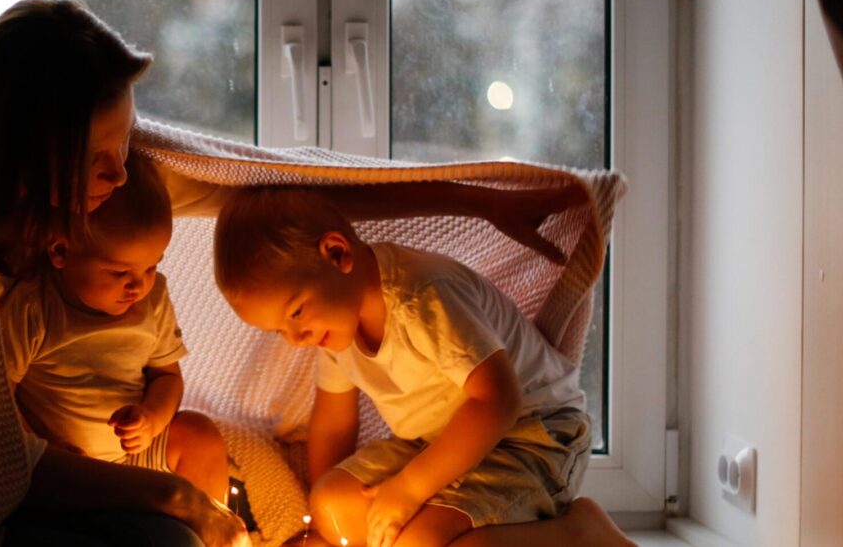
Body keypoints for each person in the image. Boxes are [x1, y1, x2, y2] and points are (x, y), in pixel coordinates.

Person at [0, 0, 590, 547]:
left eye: (126, 148)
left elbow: (305, 194)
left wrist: (480, 203)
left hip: (82, 459)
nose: (123, 174)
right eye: (104, 157)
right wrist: (177, 497)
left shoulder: (99, 188)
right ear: (39, 155)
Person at [212, 187, 635, 547]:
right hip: (437, 441)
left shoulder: (421, 296)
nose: (295, 338)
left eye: (296, 312)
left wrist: (410, 489)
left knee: (420, 541)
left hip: (532, 434)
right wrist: (321, 523)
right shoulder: (334, 324)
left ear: (337, 253)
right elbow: (333, 426)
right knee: (332, 503)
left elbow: (499, 399)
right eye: (279, 330)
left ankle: (579, 534)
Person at [0, 155, 229, 504]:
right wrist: (39, 449)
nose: (138, 286)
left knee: (200, 435)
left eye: (151, 267)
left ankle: (214, 531)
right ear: (62, 252)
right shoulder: (36, 305)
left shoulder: (152, 300)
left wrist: (151, 419)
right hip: (67, 464)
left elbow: (167, 377)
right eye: (119, 273)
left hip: (137, 455)